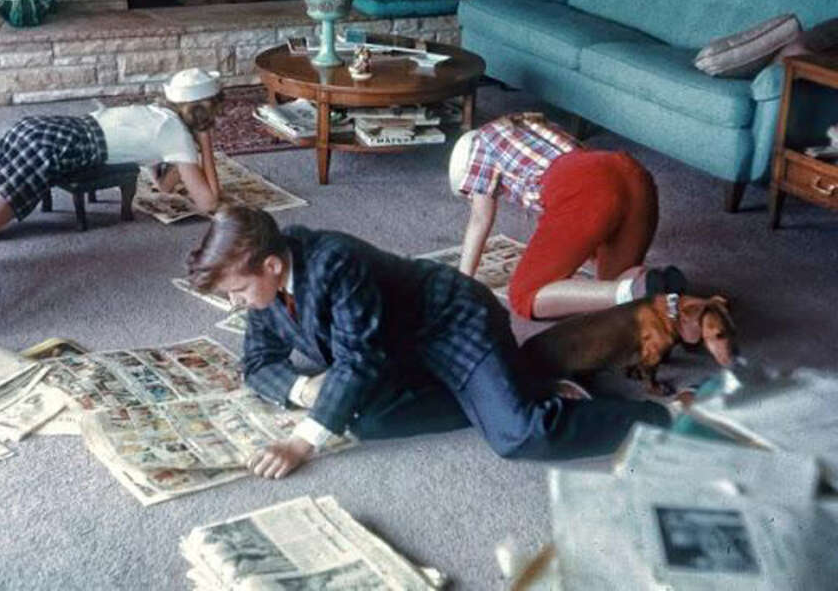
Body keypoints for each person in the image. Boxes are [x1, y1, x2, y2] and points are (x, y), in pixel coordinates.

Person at [186, 206, 672, 480]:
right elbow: (256, 363)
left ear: (271, 265)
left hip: (450, 323)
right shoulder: (264, 285)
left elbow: (358, 360)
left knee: (519, 435)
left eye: (238, 291)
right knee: (361, 418)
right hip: (394, 346)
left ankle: (663, 422)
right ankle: (524, 381)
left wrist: (301, 440)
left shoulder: (334, 260)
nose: (237, 303)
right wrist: (303, 391)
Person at [0, 67, 224, 241]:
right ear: (207, 111)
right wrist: (205, 144)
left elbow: (164, 186)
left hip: (40, 129)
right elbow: (209, 203)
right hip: (52, 150)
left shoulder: (157, 116)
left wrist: (187, 154)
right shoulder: (178, 135)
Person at [449, 112, 685, 321]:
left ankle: (634, 290)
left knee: (523, 296)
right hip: (632, 173)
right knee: (611, 283)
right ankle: (670, 295)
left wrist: (462, 282)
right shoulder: (525, 123)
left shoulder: (481, 143)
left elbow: (480, 220)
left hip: (583, 184)